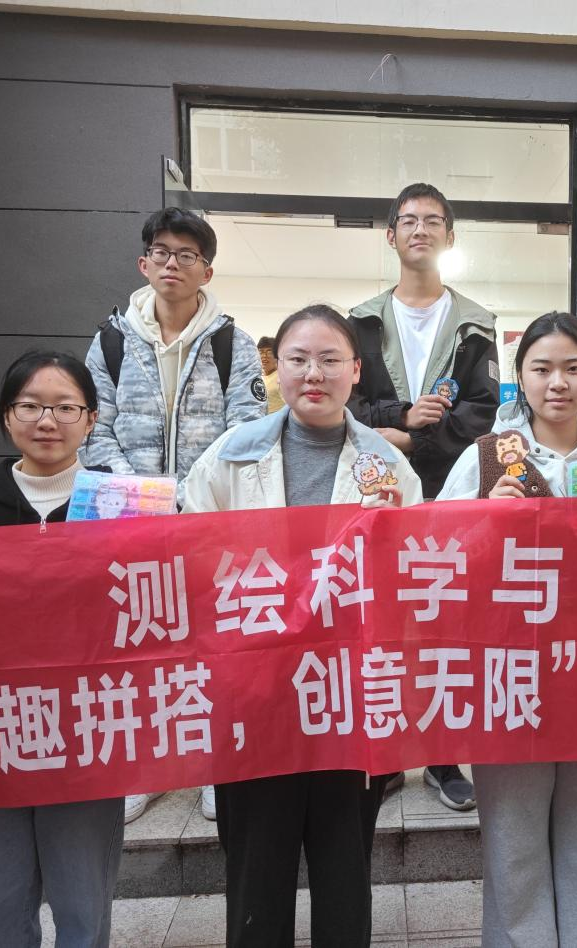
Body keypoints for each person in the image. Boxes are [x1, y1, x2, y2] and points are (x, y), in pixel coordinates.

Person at [184, 304, 422, 948]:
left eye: (329, 360)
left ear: (355, 371)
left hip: (346, 700)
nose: (313, 373)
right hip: (254, 699)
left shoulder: (388, 466)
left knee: (344, 870)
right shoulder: (229, 458)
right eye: (298, 359)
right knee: (255, 871)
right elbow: (193, 566)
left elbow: (414, 581)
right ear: (278, 369)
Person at [437, 311, 577, 948]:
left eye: (573, 368)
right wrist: (484, 521)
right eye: (541, 369)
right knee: (512, 840)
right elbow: (434, 557)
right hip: (510, 675)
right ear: (521, 378)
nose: (557, 383)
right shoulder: (486, 458)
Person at [83, 206, 267, 824]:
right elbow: (94, 427)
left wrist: (188, 497)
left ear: (205, 271)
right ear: (144, 263)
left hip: (206, 520)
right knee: (139, 644)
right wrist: (139, 496)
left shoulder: (233, 344)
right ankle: (147, 768)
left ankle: (215, 766)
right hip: (130, 522)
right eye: (162, 252)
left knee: (213, 644)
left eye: (187, 255)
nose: (172, 264)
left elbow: (244, 432)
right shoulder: (111, 341)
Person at [0, 350, 123, 948]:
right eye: (31, 406)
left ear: (91, 419)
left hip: (89, 730)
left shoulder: (124, 509)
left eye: (66, 407)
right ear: (6, 416)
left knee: (83, 900)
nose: (48, 420)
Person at [348, 182, 498, 810]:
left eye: (433, 221)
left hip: (448, 493)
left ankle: (441, 756)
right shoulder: (359, 321)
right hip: (377, 496)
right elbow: (349, 405)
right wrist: (399, 418)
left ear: (449, 237)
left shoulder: (476, 324)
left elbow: (484, 411)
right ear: (391, 235)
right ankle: (385, 756)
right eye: (408, 220)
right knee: (380, 623)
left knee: (444, 624)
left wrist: (414, 437)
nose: (420, 229)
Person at [258, 335, 285, 413]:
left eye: (269, 352)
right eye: (261, 352)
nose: (264, 356)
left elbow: (292, 407)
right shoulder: (258, 378)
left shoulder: (282, 377)